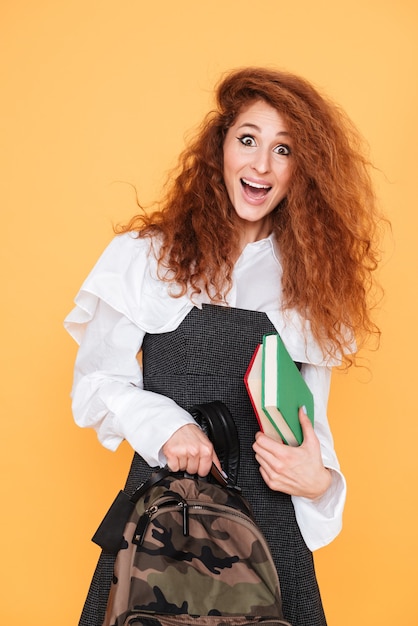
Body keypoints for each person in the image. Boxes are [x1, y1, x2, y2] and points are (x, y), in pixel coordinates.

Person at [65, 67, 382, 626]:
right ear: (221, 148)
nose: (261, 164)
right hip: (164, 523)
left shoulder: (310, 284)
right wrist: (164, 424)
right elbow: (94, 386)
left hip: (271, 536)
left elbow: (311, 435)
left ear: (301, 171)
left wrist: (321, 483)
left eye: (283, 149)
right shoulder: (145, 256)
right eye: (248, 139)